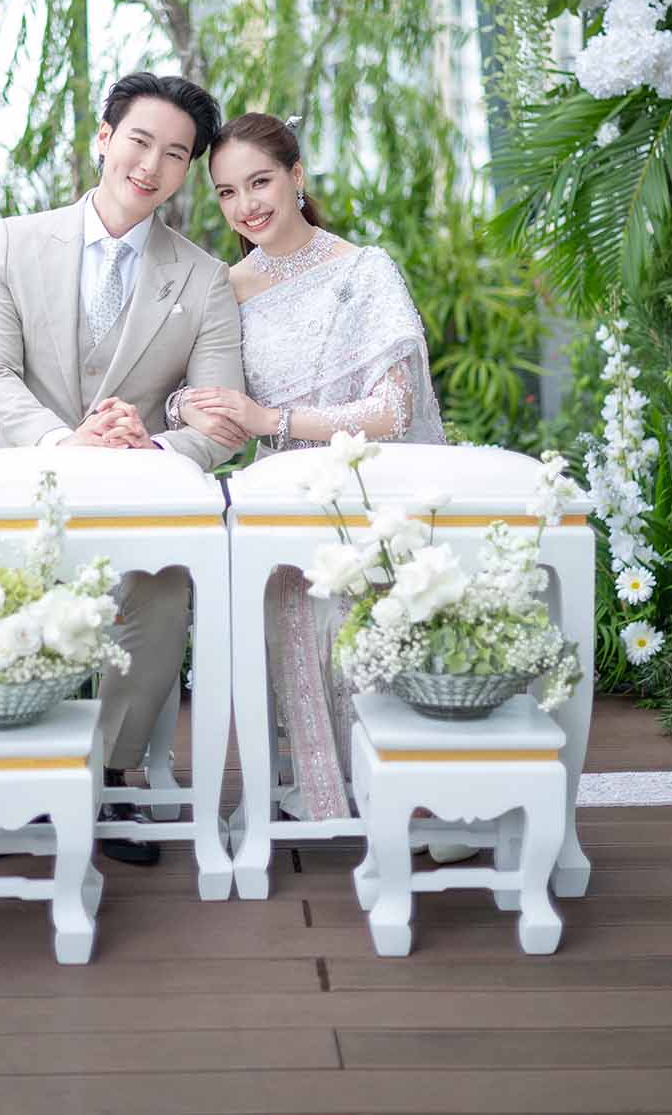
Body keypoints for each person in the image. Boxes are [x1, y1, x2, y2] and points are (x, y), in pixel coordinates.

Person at [0, 72, 245, 863]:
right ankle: (13, 758)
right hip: (25, 482)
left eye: (175, 154)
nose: (150, 165)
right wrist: (63, 442)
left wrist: (147, 448)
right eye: (140, 141)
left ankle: (112, 772)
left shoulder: (204, 279)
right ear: (104, 138)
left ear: (188, 170)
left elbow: (220, 417)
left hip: (138, 495)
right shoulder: (13, 243)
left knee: (164, 584)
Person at [171, 112, 445, 825]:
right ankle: (320, 788)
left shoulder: (364, 271)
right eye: (226, 192)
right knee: (288, 608)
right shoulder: (225, 288)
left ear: (296, 176)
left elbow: (393, 408)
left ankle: (408, 795)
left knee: (366, 622)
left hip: (369, 489)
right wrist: (186, 406)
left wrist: (275, 421)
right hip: (278, 503)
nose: (246, 205)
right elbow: (190, 392)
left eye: (259, 182)